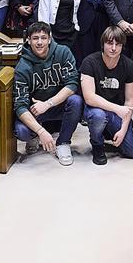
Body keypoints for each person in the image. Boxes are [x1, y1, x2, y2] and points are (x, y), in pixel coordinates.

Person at [13, 22, 82, 166]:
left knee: (76, 101)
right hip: (35, 111)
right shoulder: (22, 67)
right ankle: (34, 136)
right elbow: (19, 106)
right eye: (35, 38)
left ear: (50, 39)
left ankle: (63, 143)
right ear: (28, 40)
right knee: (21, 131)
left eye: (43, 38)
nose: (39, 42)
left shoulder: (63, 52)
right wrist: (41, 131)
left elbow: (72, 84)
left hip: (56, 105)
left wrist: (48, 103)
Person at [80, 26, 133, 164]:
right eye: (109, 43)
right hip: (95, 109)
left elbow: (130, 101)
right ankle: (97, 145)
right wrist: (116, 108)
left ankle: (111, 136)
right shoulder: (89, 62)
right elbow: (89, 97)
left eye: (118, 44)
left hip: (117, 114)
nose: (113, 48)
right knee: (98, 116)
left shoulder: (129, 65)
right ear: (103, 44)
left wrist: (123, 129)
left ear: (122, 46)